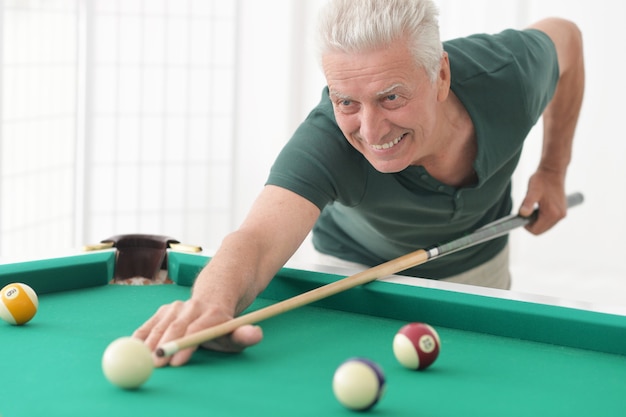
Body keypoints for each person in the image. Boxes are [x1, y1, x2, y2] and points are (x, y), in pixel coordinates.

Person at [134, 0, 584, 367]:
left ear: (440, 75)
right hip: (355, 277)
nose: (370, 131)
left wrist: (552, 170)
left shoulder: (507, 76)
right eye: (347, 101)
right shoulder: (329, 139)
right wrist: (212, 303)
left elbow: (567, 36)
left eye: (391, 96)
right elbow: (256, 238)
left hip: (478, 263)